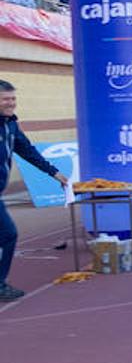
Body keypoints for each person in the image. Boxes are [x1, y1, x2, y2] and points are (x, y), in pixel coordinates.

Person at [0, 80, 69, 300]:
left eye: (13, 99)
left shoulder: (10, 124)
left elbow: (27, 151)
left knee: (7, 235)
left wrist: (54, 172)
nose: (11, 103)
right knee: (9, 234)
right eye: (5, 99)